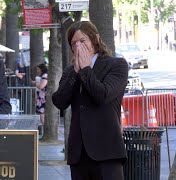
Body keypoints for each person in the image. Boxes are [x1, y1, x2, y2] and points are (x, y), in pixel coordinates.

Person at [52, 21, 128, 180]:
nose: (78, 46)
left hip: (107, 152)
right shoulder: (70, 71)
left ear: (96, 40)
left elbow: (103, 96)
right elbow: (59, 101)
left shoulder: (116, 65)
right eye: (74, 43)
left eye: (82, 41)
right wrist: (75, 72)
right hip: (79, 154)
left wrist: (86, 70)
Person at [32, 63, 48, 129]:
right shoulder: (43, 75)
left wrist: (35, 83)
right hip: (41, 97)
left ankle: (44, 128)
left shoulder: (45, 75)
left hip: (43, 97)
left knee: (42, 113)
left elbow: (41, 86)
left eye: (38, 69)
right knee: (41, 113)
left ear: (42, 69)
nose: (37, 70)